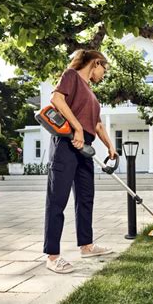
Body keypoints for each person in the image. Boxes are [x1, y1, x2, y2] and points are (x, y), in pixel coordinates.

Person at [44, 49, 117, 274]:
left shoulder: (92, 94)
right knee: (58, 199)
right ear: (96, 63)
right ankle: (53, 256)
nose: (104, 74)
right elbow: (56, 99)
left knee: (86, 198)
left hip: (85, 147)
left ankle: (87, 246)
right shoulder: (71, 76)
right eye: (104, 69)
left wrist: (110, 146)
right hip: (67, 143)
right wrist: (76, 127)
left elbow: (97, 125)